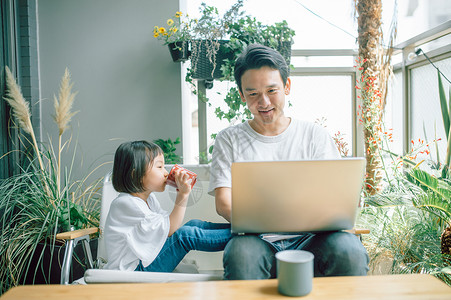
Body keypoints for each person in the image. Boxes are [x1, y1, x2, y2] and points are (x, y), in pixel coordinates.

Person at [208, 44, 369, 280]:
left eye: (272, 90)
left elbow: (334, 197)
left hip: (315, 237)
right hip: (257, 239)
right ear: (242, 95)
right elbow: (224, 203)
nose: (263, 102)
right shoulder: (229, 139)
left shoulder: (314, 135)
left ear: (287, 86)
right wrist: (270, 221)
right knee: (240, 255)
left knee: (350, 250)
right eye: (252, 94)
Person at [104, 140, 231, 272]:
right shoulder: (125, 204)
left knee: (193, 224)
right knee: (184, 236)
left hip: (145, 263)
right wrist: (183, 195)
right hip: (132, 271)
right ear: (136, 174)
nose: (166, 173)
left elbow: (168, 230)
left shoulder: (150, 200)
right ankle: (244, 234)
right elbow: (171, 229)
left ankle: (239, 228)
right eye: (159, 167)